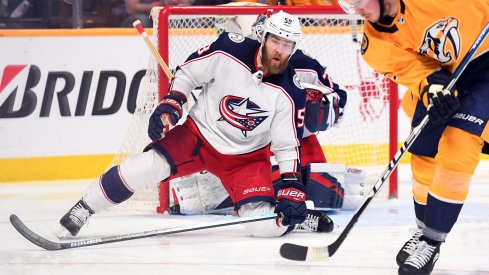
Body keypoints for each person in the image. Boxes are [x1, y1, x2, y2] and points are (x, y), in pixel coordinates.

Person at [58, 11, 327, 239]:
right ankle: (84, 208)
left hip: (247, 160)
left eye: (287, 44)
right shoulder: (228, 49)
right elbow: (187, 73)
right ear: (263, 37)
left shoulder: (291, 90)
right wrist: (172, 103)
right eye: (276, 40)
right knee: (144, 166)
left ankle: (295, 218)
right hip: (197, 138)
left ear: (294, 48)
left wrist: (292, 187)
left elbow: (286, 144)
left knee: (261, 225)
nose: (280, 49)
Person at [338, 0, 489, 274]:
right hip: (445, 75)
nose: (356, 9)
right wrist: (431, 86)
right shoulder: (375, 44)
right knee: (422, 150)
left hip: (486, 65)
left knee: (458, 142)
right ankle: (422, 233)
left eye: (359, 0)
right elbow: (414, 70)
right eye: (348, 4)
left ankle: (432, 240)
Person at [121, 0, 191, 28]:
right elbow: (131, 9)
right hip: (139, 18)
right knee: (142, 20)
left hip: (166, 17)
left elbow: (186, 3)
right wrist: (162, 4)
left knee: (188, 19)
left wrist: (181, 4)